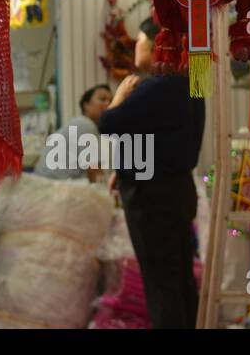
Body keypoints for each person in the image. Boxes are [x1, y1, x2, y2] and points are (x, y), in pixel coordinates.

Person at [97, 19, 205, 329]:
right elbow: (163, 135)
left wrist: (118, 97)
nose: (135, 46)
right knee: (180, 279)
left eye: (140, 39)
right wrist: (125, 165)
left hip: (153, 198)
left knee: (161, 286)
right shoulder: (193, 79)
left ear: (158, 44)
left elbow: (109, 124)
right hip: (178, 190)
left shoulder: (160, 85)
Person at [33, 83, 111, 181]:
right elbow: (94, 170)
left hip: (46, 184)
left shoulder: (79, 123)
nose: (108, 104)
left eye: (110, 100)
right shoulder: (86, 125)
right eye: (102, 99)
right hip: (54, 188)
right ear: (86, 105)